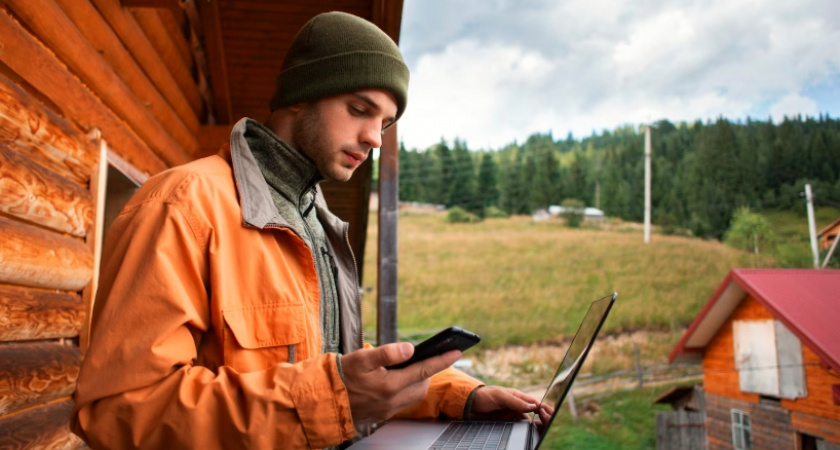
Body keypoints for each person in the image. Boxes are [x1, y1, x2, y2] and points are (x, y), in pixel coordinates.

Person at [72, 11, 545, 449]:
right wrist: (330, 399)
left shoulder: (318, 222)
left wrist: (458, 395)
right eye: (359, 109)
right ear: (301, 94)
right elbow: (118, 410)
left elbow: (333, 368)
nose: (374, 138)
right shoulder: (182, 203)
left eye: (384, 123)